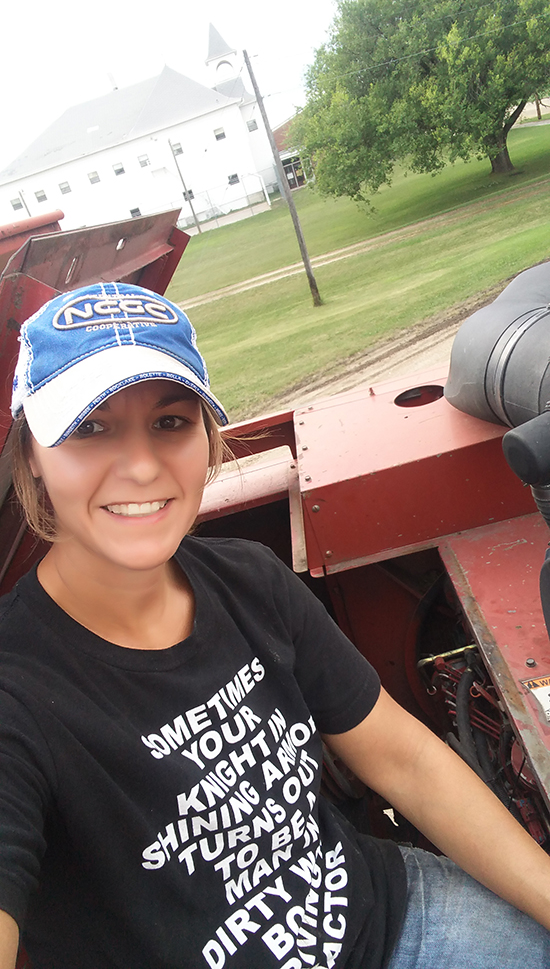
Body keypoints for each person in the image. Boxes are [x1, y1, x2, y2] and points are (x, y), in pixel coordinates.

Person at [1, 281, 550, 969]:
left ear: (207, 437)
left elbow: (404, 761)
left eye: (170, 422)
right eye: (90, 428)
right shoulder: (16, 693)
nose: (140, 466)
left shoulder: (250, 581)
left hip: (389, 924)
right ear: (30, 456)